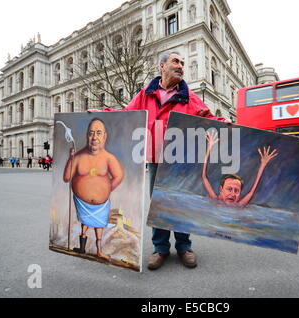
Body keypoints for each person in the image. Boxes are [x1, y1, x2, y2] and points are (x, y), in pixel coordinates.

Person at [94, 51, 231, 270]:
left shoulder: (189, 96)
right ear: (162, 66)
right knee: (158, 205)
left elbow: (207, 117)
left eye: (183, 63)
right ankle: (160, 249)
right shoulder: (144, 95)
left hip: (180, 160)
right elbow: (125, 115)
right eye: (176, 61)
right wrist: (101, 114)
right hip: (156, 160)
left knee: (179, 203)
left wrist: (222, 121)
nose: (181, 66)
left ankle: (184, 247)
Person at [63, 118, 124, 261]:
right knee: (85, 224)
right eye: (91, 133)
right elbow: (66, 177)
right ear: (87, 136)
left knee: (98, 227)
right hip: (82, 202)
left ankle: (99, 251)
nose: (94, 137)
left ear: (104, 136)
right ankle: (82, 247)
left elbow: (119, 176)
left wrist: (106, 190)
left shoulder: (109, 158)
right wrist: (70, 158)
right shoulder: (78, 157)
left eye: (98, 133)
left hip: (100, 205)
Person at [202, 131, 278, 207]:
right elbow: (204, 177)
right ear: (221, 190)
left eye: (236, 191)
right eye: (229, 189)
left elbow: (252, 192)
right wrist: (209, 147)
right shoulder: (215, 200)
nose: (232, 194)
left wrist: (263, 164)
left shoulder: (239, 205)